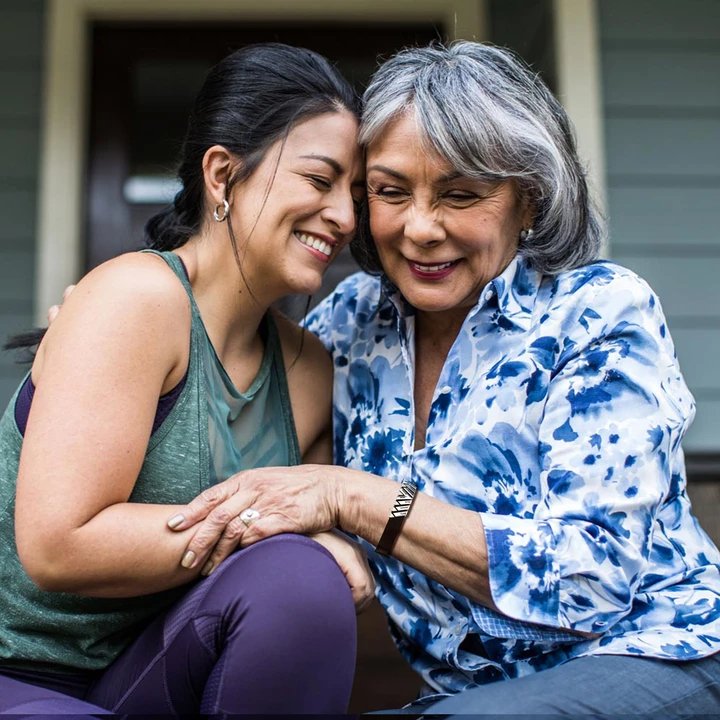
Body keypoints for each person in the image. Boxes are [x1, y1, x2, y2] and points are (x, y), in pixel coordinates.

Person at [166, 41, 720, 715]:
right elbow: (232, 429)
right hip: (470, 702)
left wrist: (354, 500)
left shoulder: (598, 313)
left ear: (529, 200)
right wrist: (114, 324)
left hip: (659, 655)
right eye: (390, 192)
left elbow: (589, 580)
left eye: (461, 194)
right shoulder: (344, 328)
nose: (421, 228)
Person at [0, 43, 373, 715]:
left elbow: (314, 573)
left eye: (354, 192)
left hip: (157, 672)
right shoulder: (136, 299)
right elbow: (58, 546)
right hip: (26, 677)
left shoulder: (310, 369)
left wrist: (315, 540)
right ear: (224, 175)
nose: (345, 217)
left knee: (300, 578)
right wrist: (269, 525)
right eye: (320, 181)